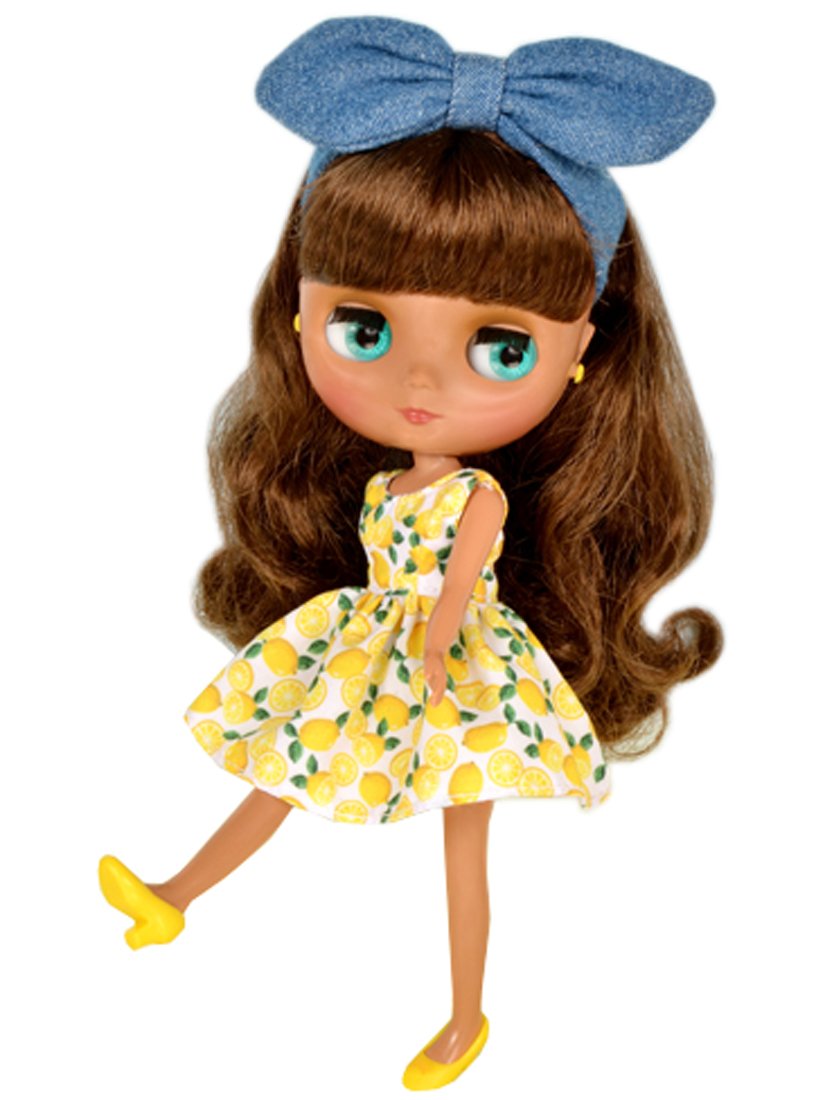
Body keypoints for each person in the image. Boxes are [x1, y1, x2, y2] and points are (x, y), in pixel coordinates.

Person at [99, 18, 723, 1091]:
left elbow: (464, 579)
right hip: (370, 644)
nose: (421, 384)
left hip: (458, 665)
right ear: (297, 312)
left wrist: (435, 647)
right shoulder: (382, 487)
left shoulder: (480, 492)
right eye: (365, 329)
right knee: (278, 771)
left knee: (461, 849)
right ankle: (172, 895)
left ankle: (464, 1016)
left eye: (501, 348)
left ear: (585, 349)